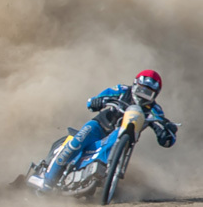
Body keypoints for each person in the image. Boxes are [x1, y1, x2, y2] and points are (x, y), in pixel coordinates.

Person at [27, 70, 178, 191]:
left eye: (148, 93)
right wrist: (98, 101)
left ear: (155, 95)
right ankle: (47, 182)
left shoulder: (155, 109)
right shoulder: (121, 90)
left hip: (120, 134)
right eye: (140, 90)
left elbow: (166, 139)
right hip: (99, 126)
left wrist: (166, 131)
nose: (142, 96)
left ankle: (101, 176)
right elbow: (93, 101)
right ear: (134, 85)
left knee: (111, 144)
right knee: (76, 142)